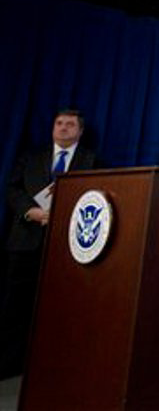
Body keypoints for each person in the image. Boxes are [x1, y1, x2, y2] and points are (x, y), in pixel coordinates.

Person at [1, 110, 98, 378]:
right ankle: (9, 365)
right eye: (59, 124)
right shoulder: (31, 157)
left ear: (80, 130)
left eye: (70, 125)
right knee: (15, 307)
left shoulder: (91, 161)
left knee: (62, 307)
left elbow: (95, 197)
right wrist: (30, 211)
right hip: (26, 241)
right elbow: (12, 189)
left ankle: (53, 367)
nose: (64, 129)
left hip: (67, 245)